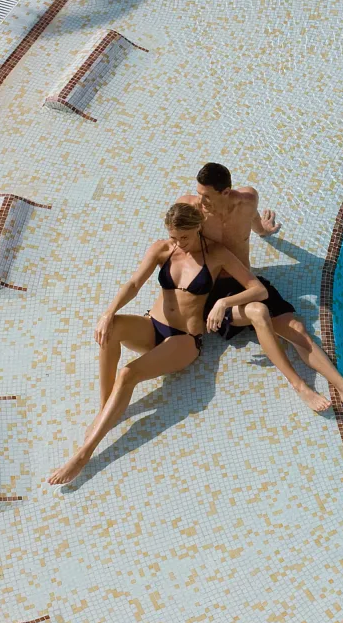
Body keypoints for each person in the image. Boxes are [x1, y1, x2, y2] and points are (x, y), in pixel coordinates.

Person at [47, 202, 263, 486]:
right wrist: (108, 313)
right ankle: (105, 410)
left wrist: (223, 302)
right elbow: (135, 283)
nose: (179, 243)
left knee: (127, 374)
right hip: (152, 325)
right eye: (174, 237)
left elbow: (256, 288)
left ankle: (84, 454)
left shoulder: (217, 254)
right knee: (112, 329)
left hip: (184, 340)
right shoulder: (163, 249)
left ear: (198, 227)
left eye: (184, 237)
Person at [205, 245, 343, 416]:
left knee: (297, 329)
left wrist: (263, 229)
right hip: (221, 297)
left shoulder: (240, 218)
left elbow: (255, 228)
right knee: (259, 313)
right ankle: (299, 386)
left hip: (247, 284)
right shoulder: (197, 237)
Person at [194, 161, 278, 268]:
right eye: (199, 194)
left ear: (225, 192)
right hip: (209, 277)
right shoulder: (192, 210)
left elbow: (252, 216)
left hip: (243, 276)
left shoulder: (247, 202)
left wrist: (264, 230)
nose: (201, 201)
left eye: (207, 196)